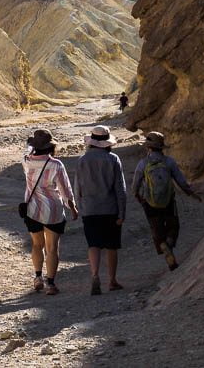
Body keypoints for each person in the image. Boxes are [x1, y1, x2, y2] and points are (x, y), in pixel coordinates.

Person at [130, 132, 202, 271]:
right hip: (168, 200)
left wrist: (138, 196)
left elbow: (135, 185)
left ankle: (164, 247)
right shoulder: (169, 162)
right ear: (161, 147)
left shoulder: (143, 163)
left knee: (156, 228)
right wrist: (191, 193)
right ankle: (169, 243)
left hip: (150, 201)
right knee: (173, 226)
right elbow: (181, 181)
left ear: (148, 148)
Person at [22, 129, 78, 295]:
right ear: (50, 146)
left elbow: (27, 151)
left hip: (32, 209)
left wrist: (30, 145)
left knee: (36, 245)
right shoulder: (56, 164)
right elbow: (65, 189)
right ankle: (51, 284)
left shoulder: (26, 161)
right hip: (53, 210)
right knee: (52, 248)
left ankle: (38, 277)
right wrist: (72, 207)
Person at [75, 125, 127, 295]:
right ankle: (112, 281)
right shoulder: (113, 159)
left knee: (93, 244)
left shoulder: (82, 160)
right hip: (110, 208)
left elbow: (78, 187)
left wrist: (80, 206)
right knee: (112, 246)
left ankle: (95, 275)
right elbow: (120, 188)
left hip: (90, 209)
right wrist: (122, 212)